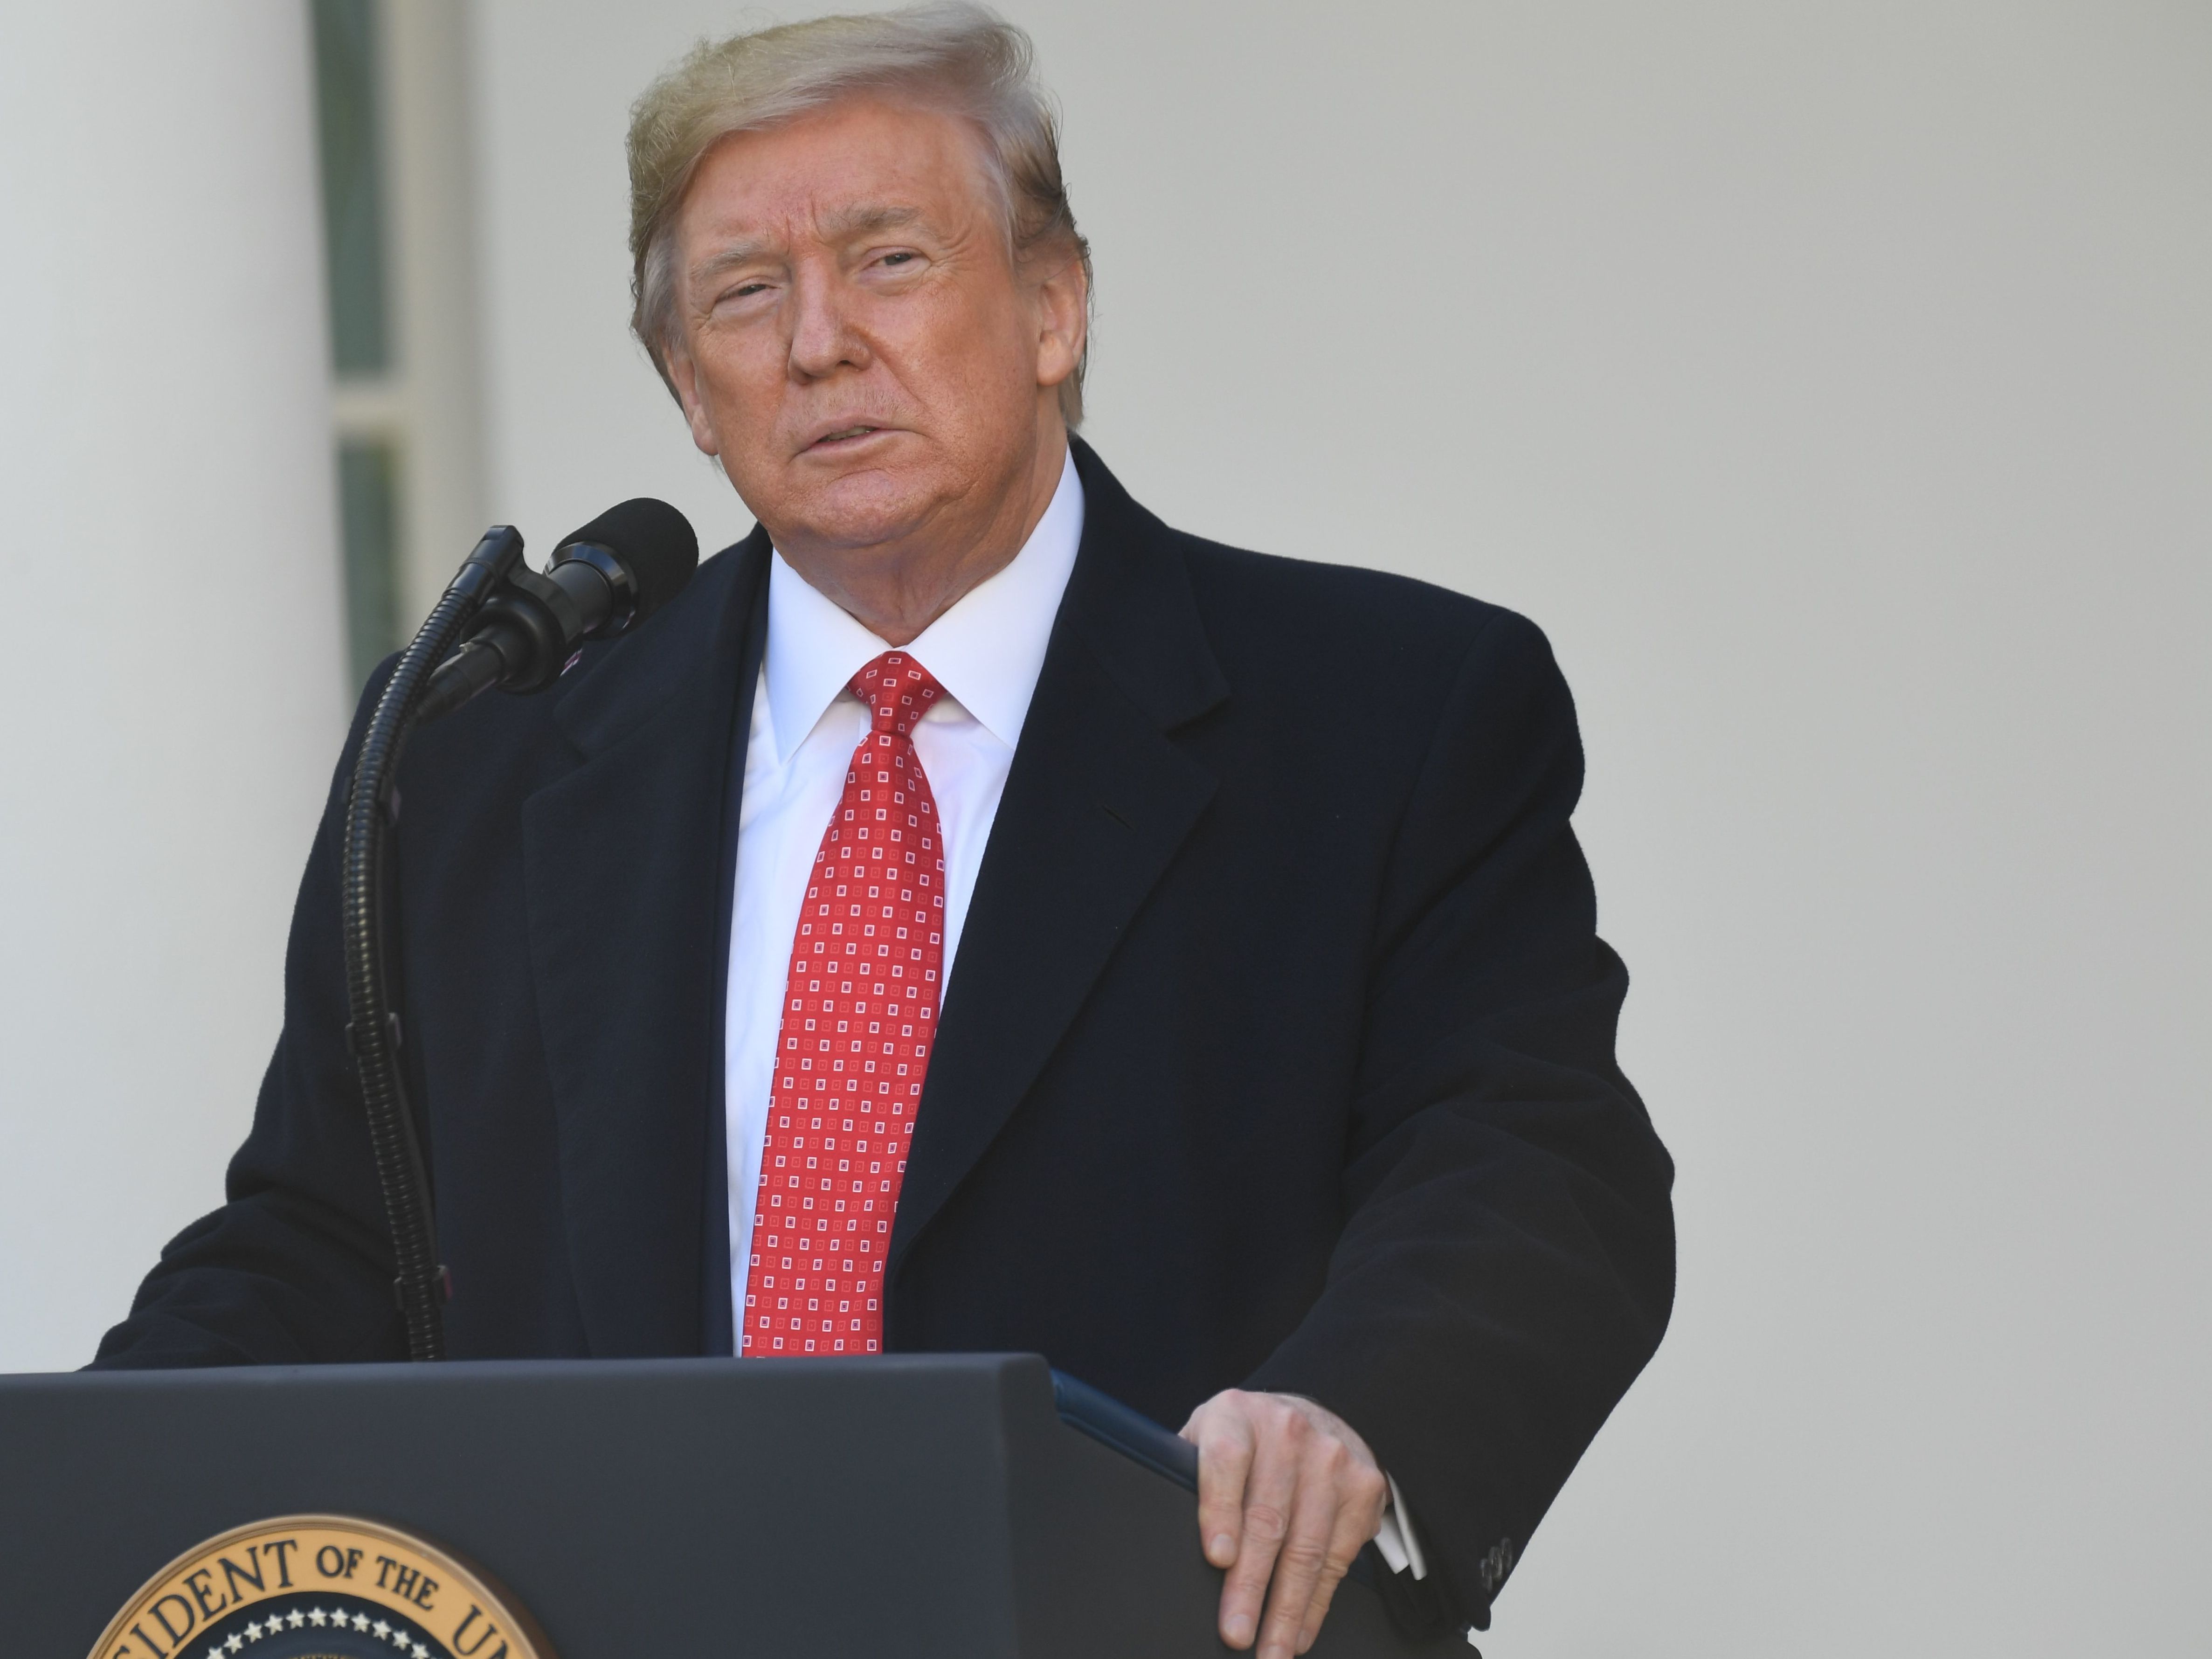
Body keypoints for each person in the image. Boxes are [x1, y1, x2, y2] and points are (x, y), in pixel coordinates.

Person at [94, 5, 1674, 1651]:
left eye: (890, 259)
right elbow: (323, 1235)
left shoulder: (1386, 710)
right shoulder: (481, 757)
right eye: (745, 295)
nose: (821, 342)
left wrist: (1350, 1417)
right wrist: (76, 1489)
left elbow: (1535, 1162)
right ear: (689, 390)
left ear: (1054, 305)